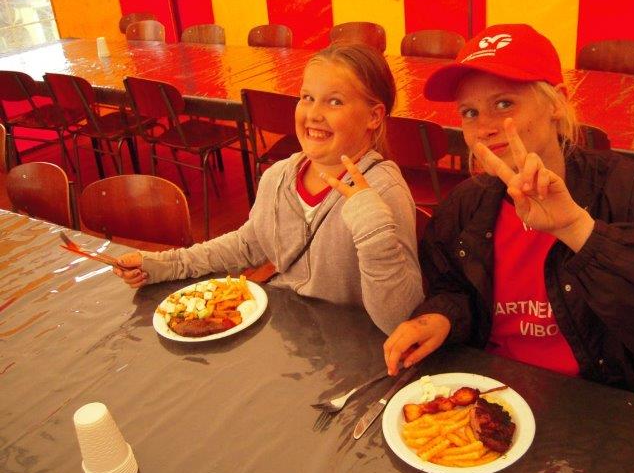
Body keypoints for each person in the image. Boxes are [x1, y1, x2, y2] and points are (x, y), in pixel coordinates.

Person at [383, 24, 634, 400]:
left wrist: (579, 230)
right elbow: (454, 288)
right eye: (470, 112)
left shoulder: (625, 190)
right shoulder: (465, 206)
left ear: (557, 103)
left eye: (504, 104)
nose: (483, 128)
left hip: (598, 395)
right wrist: (442, 316)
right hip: (491, 388)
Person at [114, 43, 423, 335]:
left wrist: (373, 230)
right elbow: (247, 245)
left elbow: (398, 319)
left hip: (350, 347)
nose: (314, 114)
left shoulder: (383, 192)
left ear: (373, 116)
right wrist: (165, 265)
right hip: (288, 334)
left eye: (335, 102)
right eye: (307, 97)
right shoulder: (279, 176)